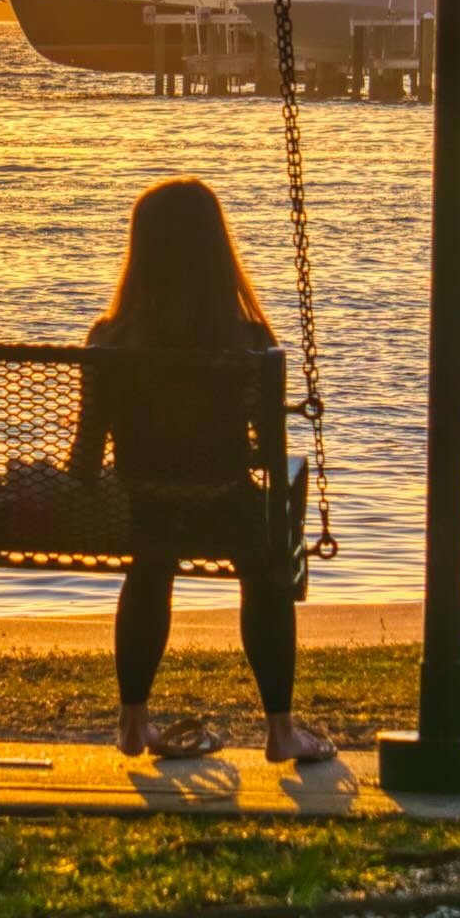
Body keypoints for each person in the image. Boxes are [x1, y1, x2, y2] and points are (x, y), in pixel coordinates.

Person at [69, 178, 335, 765]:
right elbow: (269, 457)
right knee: (264, 574)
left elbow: (85, 459)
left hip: (142, 512)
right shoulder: (247, 341)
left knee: (149, 569)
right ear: (218, 250)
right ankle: (280, 731)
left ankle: (133, 723)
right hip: (223, 509)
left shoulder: (109, 339)